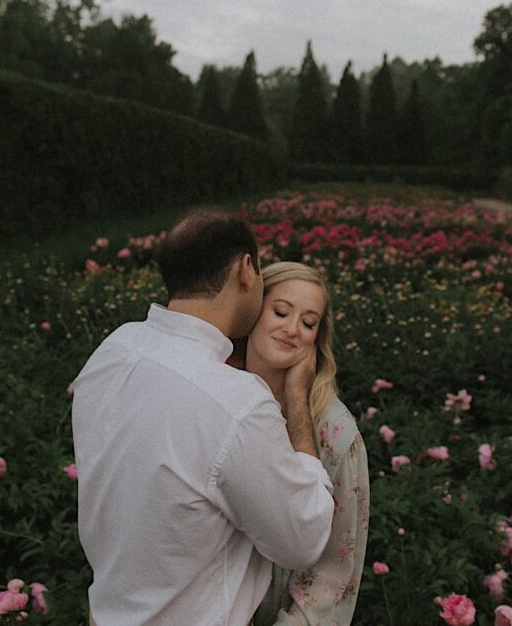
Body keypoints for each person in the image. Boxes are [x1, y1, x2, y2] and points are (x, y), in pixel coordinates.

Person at [71, 209, 335, 626]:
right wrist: (297, 401)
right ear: (247, 271)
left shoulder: (114, 351)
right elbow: (302, 539)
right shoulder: (236, 403)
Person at [241, 263, 370, 626]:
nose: (292, 329)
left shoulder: (335, 432)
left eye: (308, 322)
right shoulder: (213, 392)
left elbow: (334, 572)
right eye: (280, 311)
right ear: (252, 310)